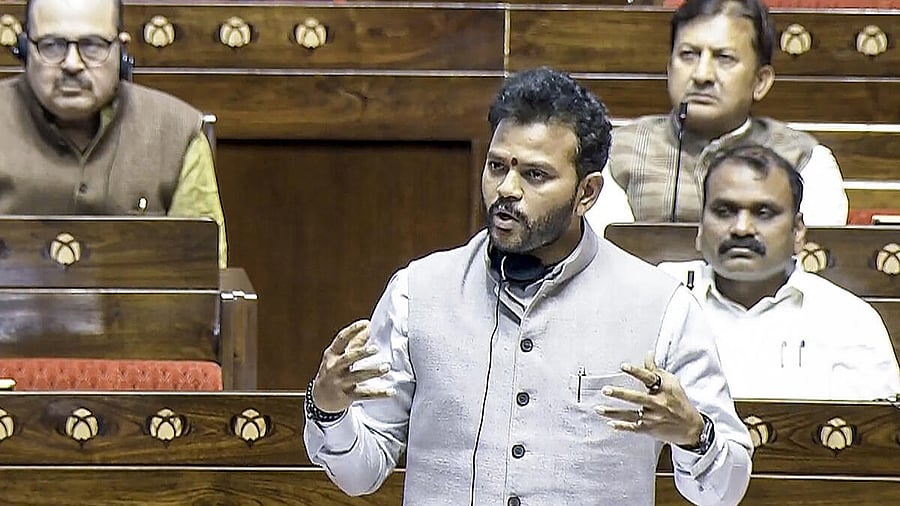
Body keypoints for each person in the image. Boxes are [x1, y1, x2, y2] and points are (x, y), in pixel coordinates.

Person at [304, 68, 752, 506]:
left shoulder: (662, 307)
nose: (507, 189)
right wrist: (329, 410)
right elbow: (359, 475)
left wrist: (696, 434)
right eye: (497, 166)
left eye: (535, 175)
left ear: (587, 193)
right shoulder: (416, 293)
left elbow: (724, 492)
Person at [658, 144, 900, 400]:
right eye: (724, 212)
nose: (741, 229)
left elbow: (876, 430)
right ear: (700, 228)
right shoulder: (660, 299)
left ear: (798, 231)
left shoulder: (848, 320)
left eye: (763, 213)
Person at [0, 0, 227, 267]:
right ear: (26, 48)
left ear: (121, 49)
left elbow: (204, 270)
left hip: (142, 308)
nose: (72, 64)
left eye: (92, 45)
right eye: (52, 45)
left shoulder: (176, 132)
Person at [604, 0, 848, 226]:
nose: (702, 75)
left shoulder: (803, 159)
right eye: (688, 55)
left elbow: (812, 258)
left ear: (761, 81)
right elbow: (606, 258)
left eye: (724, 58)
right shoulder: (615, 153)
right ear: (669, 68)